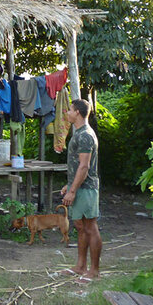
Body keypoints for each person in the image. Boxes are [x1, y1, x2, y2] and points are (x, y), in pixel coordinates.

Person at [61, 99, 101, 281]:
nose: (67, 113)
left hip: (87, 189)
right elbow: (78, 165)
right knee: (80, 226)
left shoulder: (85, 135)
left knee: (90, 227)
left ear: (77, 112)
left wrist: (73, 191)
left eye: (69, 109)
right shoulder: (79, 133)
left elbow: (84, 167)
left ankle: (94, 271)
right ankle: (80, 266)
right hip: (78, 187)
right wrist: (69, 185)